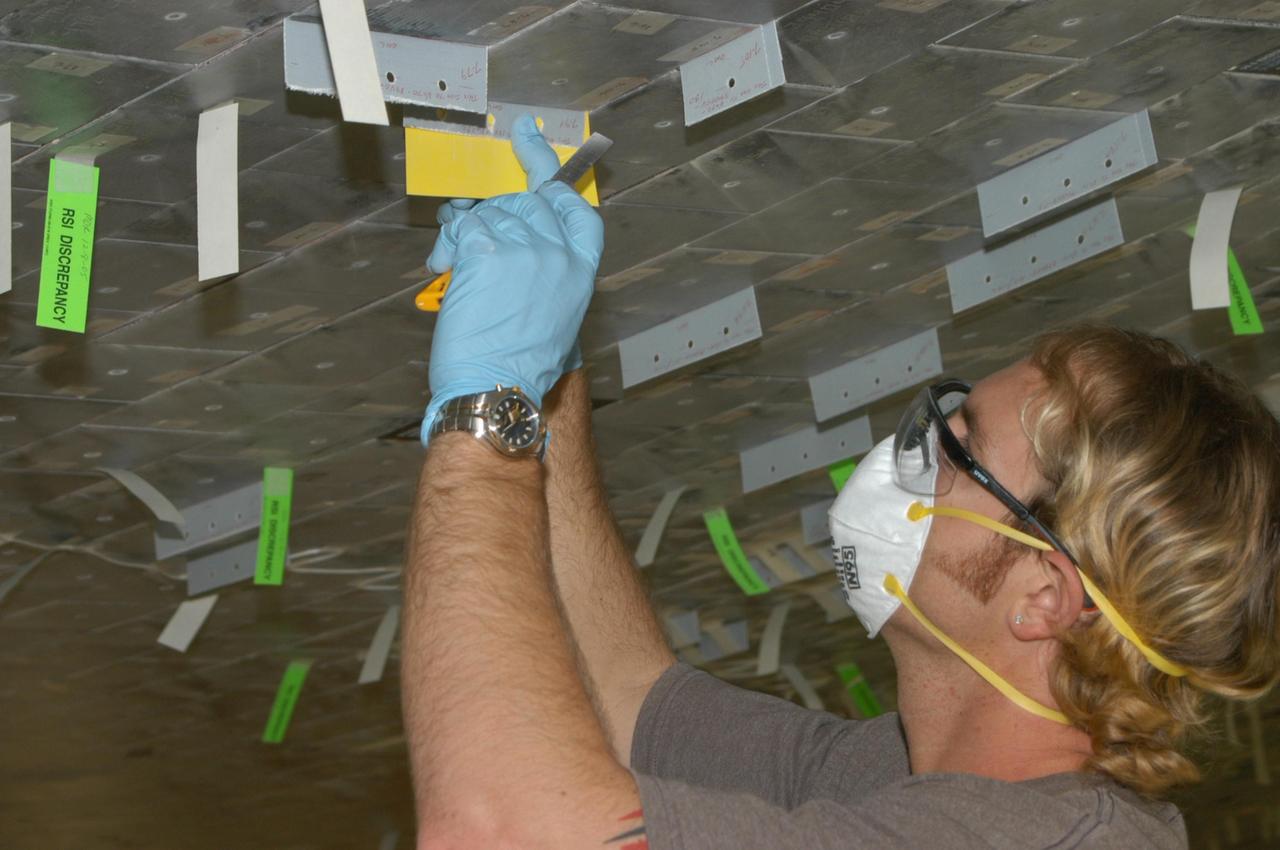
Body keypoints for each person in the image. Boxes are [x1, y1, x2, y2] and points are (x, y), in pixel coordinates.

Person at [399, 116, 1280, 850]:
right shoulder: (899, 779)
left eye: (960, 449)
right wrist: (545, 365)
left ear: (1045, 597)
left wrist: (488, 406)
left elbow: (503, 832)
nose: (908, 452)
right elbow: (629, 700)